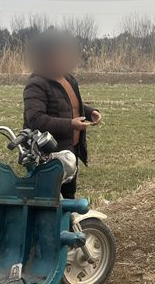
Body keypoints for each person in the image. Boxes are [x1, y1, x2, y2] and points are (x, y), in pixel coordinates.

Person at [23, 29, 102, 199]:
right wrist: (71, 124)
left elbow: (69, 104)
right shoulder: (36, 84)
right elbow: (36, 119)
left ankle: (68, 217)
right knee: (49, 198)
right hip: (48, 154)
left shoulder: (68, 79)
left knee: (68, 196)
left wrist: (90, 112)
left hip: (70, 150)